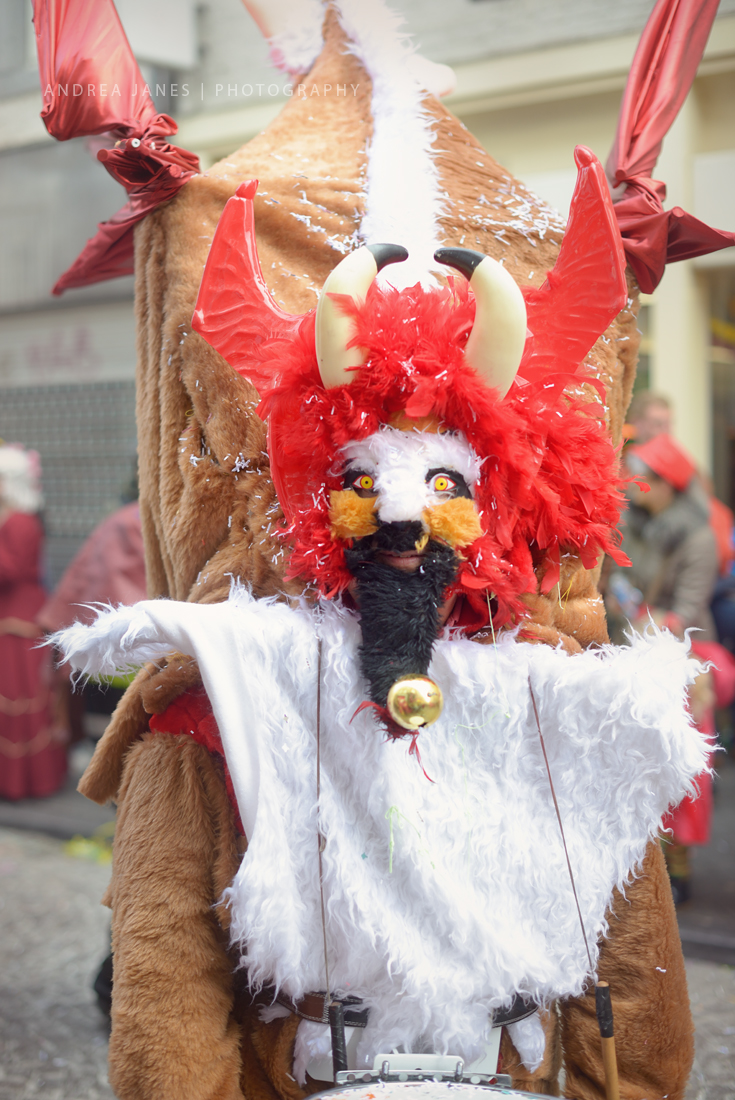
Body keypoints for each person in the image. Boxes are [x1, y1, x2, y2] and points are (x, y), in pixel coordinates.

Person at [610, 432, 728, 903]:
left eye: (647, 479)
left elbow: (688, 608)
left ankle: (679, 866)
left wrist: (645, 618)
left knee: (682, 769)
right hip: (633, 652)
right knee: (636, 762)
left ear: (669, 485)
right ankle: (645, 862)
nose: (638, 486)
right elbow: (616, 581)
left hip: (685, 661)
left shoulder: (698, 536)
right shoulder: (635, 524)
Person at [0, 445, 67, 799]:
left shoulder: (18, 521)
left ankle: (22, 782)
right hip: (17, 616)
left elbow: (10, 570)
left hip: (18, 619)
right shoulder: (20, 519)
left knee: (20, 694)